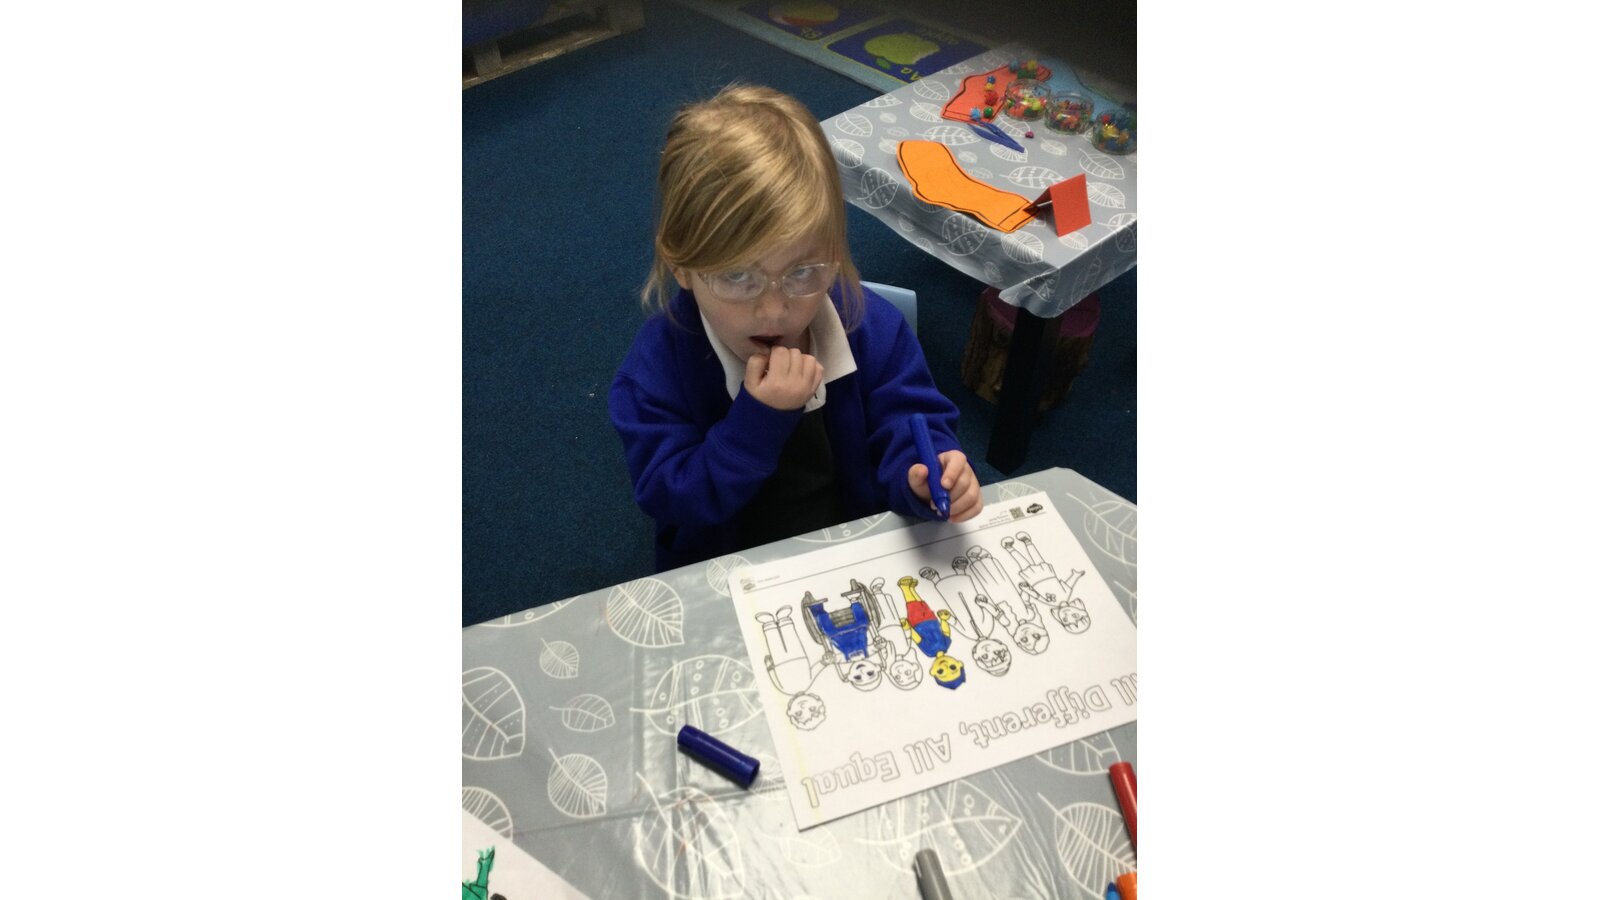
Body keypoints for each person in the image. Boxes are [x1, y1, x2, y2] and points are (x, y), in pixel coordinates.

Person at [610, 83, 982, 570]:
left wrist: (928, 468)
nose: (772, 311)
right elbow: (671, 498)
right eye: (736, 276)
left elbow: (911, 419)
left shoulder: (873, 328)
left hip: (855, 549)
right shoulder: (655, 370)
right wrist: (758, 420)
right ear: (680, 265)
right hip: (729, 566)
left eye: (802, 272)